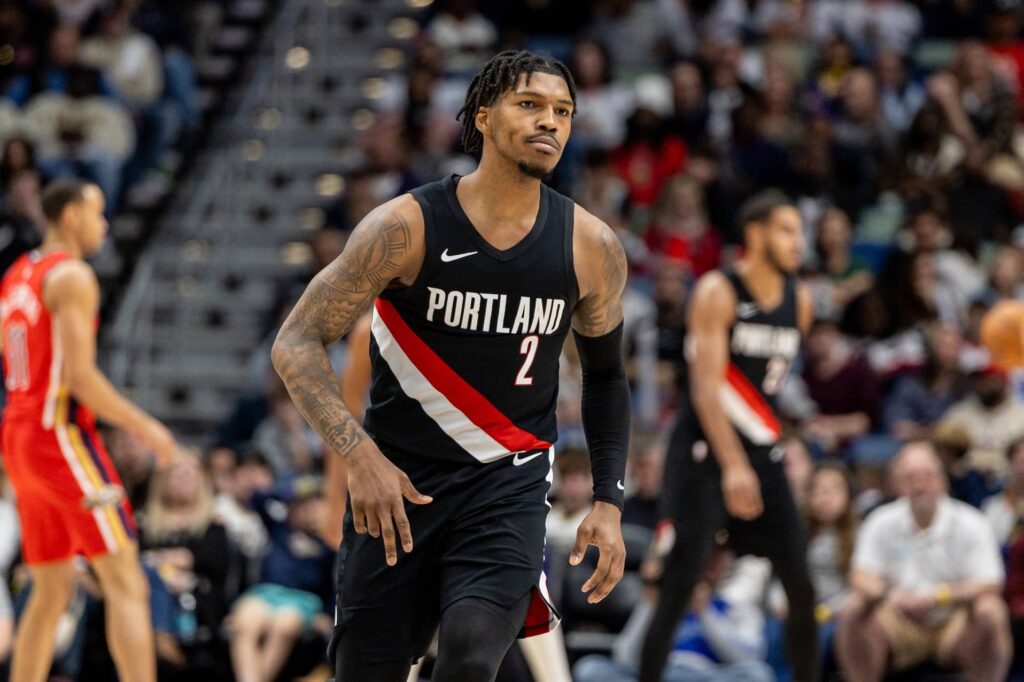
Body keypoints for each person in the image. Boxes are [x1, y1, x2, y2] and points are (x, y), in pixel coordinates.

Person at [272, 49, 630, 682]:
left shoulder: (590, 246)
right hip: (398, 490)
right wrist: (359, 457)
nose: (550, 121)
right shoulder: (405, 228)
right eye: (530, 106)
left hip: (506, 487)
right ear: (484, 119)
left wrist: (608, 499)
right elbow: (296, 342)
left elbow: (605, 375)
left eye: (563, 111)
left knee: (468, 656)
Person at [0, 178, 176, 682]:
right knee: (127, 581)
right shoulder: (73, 275)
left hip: (18, 432)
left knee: (52, 587)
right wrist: (146, 425)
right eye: (97, 214)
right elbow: (80, 377)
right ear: (71, 215)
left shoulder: (18, 273)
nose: (104, 225)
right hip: (58, 436)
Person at [639, 190, 817, 682]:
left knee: (801, 586)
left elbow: (768, 392)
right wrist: (734, 465)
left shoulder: (798, 301)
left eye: (800, 231)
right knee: (679, 587)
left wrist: (756, 458)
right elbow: (705, 387)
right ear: (756, 234)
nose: (798, 241)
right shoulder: (718, 290)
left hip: (761, 451)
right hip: (702, 455)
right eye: (787, 230)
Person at [835, 441, 1010, 682]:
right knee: (853, 607)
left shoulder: (972, 522)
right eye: (909, 478)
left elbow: (990, 582)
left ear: (943, 480)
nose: (919, 485)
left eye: (927, 476)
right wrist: (889, 594)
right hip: (896, 619)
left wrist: (940, 596)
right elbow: (860, 575)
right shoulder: (880, 520)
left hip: (954, 621)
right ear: (897, 484)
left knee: (990, 610)